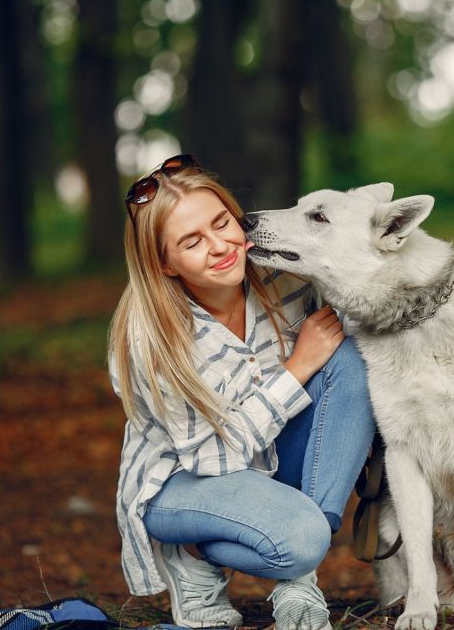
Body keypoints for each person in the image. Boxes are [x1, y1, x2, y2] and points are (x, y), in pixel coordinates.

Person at [108, 154, 376, 630]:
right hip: (182, 480)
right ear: (165, 264)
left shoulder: (286, 278)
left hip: (267, 458)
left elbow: (347, 378)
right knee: (300, 537)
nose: (220, 246)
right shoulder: (151, 336)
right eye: (192, 242)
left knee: (348, 360)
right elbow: (210, 458)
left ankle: (297, 581)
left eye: (222, 223)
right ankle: (191, 551)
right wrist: (296, 369)